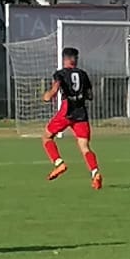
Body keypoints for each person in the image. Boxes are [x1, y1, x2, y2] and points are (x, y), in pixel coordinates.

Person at [42, 47, 101, 189]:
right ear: (76, 59)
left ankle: (59, 163)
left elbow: (55, 90)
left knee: (46, 137)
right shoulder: (83, 74)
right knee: (84, 147)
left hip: (67, 110)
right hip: (81, 112)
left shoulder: (60, 74)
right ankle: (95, 173)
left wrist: (48, 95)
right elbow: (90, 96)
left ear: (65, 59)